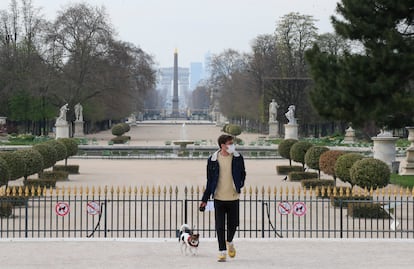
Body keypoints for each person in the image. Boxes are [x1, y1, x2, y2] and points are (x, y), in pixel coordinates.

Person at [199, 134, 246, 262]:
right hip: (219, 198)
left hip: (233, 197)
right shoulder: (213, 159)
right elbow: (210, 181)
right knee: (220, 226)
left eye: (232, 143)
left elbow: (243, 173)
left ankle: (229, 242)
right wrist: (204, 199)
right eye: (230, 143)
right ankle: (222, 251)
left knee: (233, 225)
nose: (232, 145)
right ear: (222, 145)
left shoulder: (238, 157)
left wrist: (240, 183)